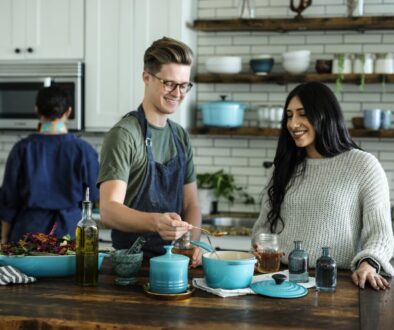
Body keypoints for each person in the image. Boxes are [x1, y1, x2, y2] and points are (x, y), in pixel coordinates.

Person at [252, 81, 394, 290]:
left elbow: (380, 234)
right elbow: (263, 227)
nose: (293, 123)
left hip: (337, 282)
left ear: (325, 115)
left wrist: (369, 263)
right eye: (289, 115)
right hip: (280, 280)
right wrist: (259, 245)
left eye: (302, 114)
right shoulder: (283, 167)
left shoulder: (363, 165)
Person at [97, 37, 202, 265]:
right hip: (133, 267)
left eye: (184, 85)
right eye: (169, 83)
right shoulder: (125, 135)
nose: (178, 93)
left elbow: (191, 203)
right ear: (146, 77)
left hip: (176, 262)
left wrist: (193, 243)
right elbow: (108, 209)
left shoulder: (180, 136)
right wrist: (156, 222)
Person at [0, 86, 99, 243]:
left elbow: (8, 201)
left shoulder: (22, 149)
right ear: (68, 112)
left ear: (37, 110)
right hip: (70, 234)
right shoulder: (84, 151)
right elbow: (93, 195)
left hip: (27, 235)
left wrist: (4, 238)